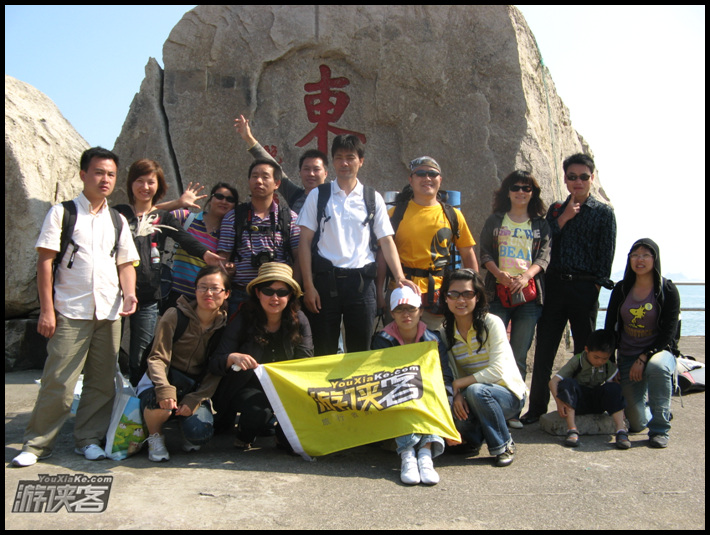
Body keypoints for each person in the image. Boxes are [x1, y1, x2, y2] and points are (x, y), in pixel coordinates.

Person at [12, 147, 139, 467]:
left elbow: (126, 263)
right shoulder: (62, 213)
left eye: (111, 174)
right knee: (59, 380)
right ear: (83, 175)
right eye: (98, 172)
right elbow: (45, 262)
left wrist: (129, 294)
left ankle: (89, 439)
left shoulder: (117, 219)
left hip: (108, 312)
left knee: (102, 382)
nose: (105, 179)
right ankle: (37, 444)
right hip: (70, 309)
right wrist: (46, 310)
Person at [297, 134, 420, 356]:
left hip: (362, 285)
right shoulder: (318, 195)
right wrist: (309, 286)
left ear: (361, 161)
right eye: (339, 157)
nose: (344, 163)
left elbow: (386, 240)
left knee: (361, 352)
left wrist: (399, 276)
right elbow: (304, 242)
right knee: (324, 352)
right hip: (325, 283)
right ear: (333, 162)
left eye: (350, 157)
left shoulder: (372, 198)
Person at [522, 153, 616, 425]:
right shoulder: (555, 210)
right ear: (565, 179)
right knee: (545, 349)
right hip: (554, 287)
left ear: (592, 178)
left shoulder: (603, 213)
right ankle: (536, 408)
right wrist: (563, 218)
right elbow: (542, 243)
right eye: (572, 177)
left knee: (585, 352)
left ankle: (580, 406)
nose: (578, 182)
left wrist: (595, 286)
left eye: (583, 177)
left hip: (585, 288)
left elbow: (606, 255)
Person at [114, 159, 224, 386]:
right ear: (130, 183)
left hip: (148, 296)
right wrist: (177, 202)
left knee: (141, 354)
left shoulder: (162, 218)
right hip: (115, 294)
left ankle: (136, 398)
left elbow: (184, 238)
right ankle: (108, 397)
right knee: (109, 351)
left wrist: (206, 255)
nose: (145, 187)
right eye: (140, 181)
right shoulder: (118, 214)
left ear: (159, 186)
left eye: (151, 182)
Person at [209, 263, 313, 449]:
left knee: (291, 444)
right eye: (268, 291)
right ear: (257, 293)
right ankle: (244, 434)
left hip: (285, 386)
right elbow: (217, 360)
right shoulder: (243, 317)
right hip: (246, 386)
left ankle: (279, 434)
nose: (275, 298)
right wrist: (233, 357)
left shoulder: (300, 319)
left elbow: (306, 360)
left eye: (282, 292)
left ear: (290, 295)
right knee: (258, 411)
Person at [479, 170, 551, 427]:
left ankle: (513, 410)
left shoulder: (540, 224)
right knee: (494, 351)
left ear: (533, 193)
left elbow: (544, 256)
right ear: (507, 192)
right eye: (516, 187)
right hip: (497, 294)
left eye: (526, 188)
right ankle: (490, 406)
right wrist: (498, 274)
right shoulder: (496, 220)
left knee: (519, 354)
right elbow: (484, 252)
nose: (521, 192)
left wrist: (526, 276)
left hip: (528, 297)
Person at [137, 266, 230, 462]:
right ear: (195, 290)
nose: (208, 293)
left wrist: (196, 398)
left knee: (199, 434)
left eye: (215, 288)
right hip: (161, 380)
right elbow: (157, 357)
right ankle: (155, 435)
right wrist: (163, 388)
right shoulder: (175, 315)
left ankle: (182, 420)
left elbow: (216, 370)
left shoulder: (224, 327)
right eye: (202, 287)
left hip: (192, 387)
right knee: (158, 403)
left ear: (226, 293)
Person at [377, 156, 478, 330]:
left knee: (434, 343)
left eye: (432, 174)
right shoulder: (395, 214)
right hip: (400, 293)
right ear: (411, 180)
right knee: (398, 344)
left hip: (438, 295)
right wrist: (379, 292)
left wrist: (475, 290)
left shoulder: (453, 215)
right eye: (421, 174)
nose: (427, 178)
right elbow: (382, 255)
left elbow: (468, 254)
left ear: (440, 179)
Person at [440, 268, 527, 467]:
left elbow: (497, 371)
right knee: (456, 408)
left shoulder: (492, 323)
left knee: (477, 391)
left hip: (507, 395)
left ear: (477, 297)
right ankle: (473, 441)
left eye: (467, 294)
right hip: (471, 393)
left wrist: (459, 385)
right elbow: (450, 372)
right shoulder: (445, 333)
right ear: (445, 297)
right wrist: (457, 394)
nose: (460, 300)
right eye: (453, 294)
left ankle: (503, 445)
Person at [371, 286, 454, 485]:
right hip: (396, 396)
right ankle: (407, 453)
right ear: (392, 314)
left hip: (428, 394)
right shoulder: (382, 340)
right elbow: (380, 379)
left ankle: (425, 454)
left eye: (411, 309)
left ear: (420, 311)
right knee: (402, 390)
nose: (406, 314)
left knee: (435, 392)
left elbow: (444, 376)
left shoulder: (433, 339)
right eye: (399, 310)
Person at [604, 238, 680, 448]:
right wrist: (611, 364)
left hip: (658, 353)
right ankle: (655, 409)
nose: (640, 259)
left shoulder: (667, 290)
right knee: (636, 423)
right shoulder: (621, 289)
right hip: (628, 355)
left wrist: (645, 357)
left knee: (657, 367)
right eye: (635, 255)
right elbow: (610, 328)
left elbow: (669, 334)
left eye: (646, 255)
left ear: (655, 259)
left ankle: (660, 429)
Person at [218, 159, 301, 315]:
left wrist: (292, 292)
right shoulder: (233, 217)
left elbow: (299, 258)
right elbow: (222, 259)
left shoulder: (290, 218)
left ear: (277, 183)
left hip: (277, 297)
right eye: (254, 176)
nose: (259, 181)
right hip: (241, 295)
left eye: (265, 176)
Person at [549, 329, 630, 449]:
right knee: (567, 383)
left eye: (604, 358)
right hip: (577, 402)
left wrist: (619, 408)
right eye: (596, 357)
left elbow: (613, 393)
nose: (600, 361)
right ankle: (572, 430)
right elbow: (553, 382)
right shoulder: (577, 360)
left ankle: (620, 431)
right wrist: (559, 403)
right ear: (587, 350)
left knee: (614, 388)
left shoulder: (608, 366)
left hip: (596, 402)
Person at [164, 182, 239, 309]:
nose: (224, 201)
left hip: (204, 300)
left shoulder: (228, 235)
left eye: (230, 199)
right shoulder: (187, 218)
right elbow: (154, 214)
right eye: (219, 196)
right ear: (210, 199)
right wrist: (178, 203)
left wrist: (230, 268)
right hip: (174, 294)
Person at [234, 114, 329, 214]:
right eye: (306, 169)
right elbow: (273, 166)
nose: (311, 174)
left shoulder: (335, 198)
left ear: (325, 173)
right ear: (300, 172)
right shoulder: (295, 196)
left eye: (316, 169)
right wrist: (249, 138)